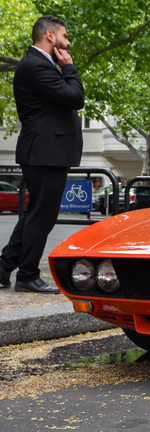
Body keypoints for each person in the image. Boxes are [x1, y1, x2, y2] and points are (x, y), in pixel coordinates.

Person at [0, 16, 84, 294]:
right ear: (50, 36)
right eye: (64, 34)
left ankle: (4, 266)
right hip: (45, 153)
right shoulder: (37, 66)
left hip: (46, 152)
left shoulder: (38, 64)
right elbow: (74, 97)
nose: (68, 41)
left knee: (34, 215)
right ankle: (27, 274)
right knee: (41, 217)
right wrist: (69, 68)